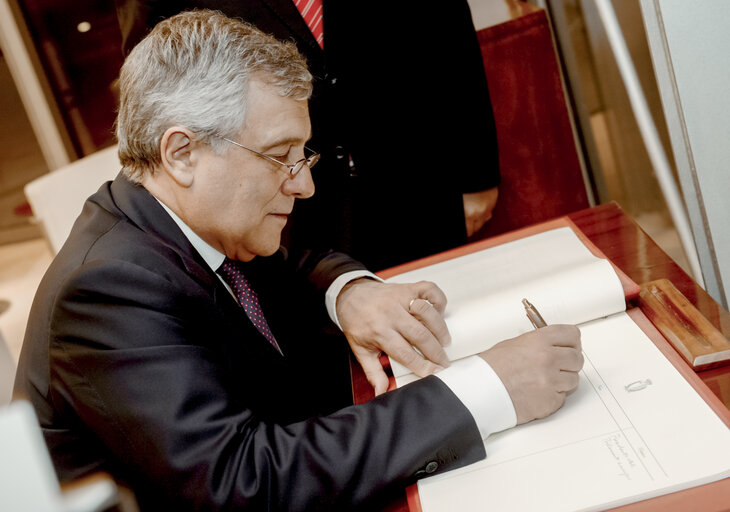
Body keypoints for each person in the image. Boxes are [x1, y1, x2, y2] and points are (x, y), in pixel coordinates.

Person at [14, 12, 582, 511]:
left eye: (303, 154)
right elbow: (246, 483)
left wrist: (349, 291)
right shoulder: (109, 288)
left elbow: (289, 262)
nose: (305, 184)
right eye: (281, 157)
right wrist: (487, 388)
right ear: (182, 153)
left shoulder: (189, 222)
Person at [115, 0, 501, 272]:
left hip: (417, 177)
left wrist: (477, 172)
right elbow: (158, 84)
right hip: (285, 225)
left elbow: (450, 29)